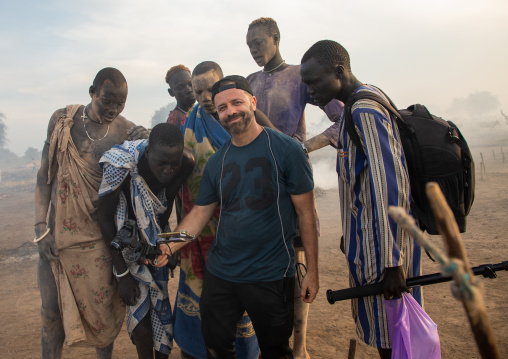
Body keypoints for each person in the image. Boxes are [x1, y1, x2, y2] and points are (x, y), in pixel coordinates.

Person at [164, 75, 319, 359]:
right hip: (221, 272)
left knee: (275, 349)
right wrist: (167, 244)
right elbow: (199, 214)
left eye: (237, 103)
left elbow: (306, 213)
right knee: (216, 346)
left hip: (270, 274)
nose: (230, 111)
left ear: (252, 102)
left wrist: (313, 270)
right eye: (223, 108)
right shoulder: (217, 162)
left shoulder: (286, 150)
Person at [300, 40, 422, 359]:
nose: (310, 91)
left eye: (314, 81)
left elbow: (389, 185)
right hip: (372, 243)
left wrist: (392, 262)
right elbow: (363, 183)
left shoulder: (364, 109)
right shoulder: (358, 104)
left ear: (339, 71)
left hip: (384, 252)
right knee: (391, 336)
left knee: (395, 338)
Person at [246, 17, 343, 358]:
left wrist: (305, 146)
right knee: (263, 268)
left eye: (258, 42)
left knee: (298, 264)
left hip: (292, 182)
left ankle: (299, 348)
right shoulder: (249, 83)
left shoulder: (300, 75)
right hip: (258, 187)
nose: (254, 50)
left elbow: (342, 118)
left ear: (276, 38)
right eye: (249, 45)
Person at [34, 67, 149, 359]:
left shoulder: (125, 131)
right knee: (50, 315)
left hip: (100, 243)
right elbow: (45, 176)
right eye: (106, 100)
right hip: (57, 240)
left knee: (103, 318)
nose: (112, 108)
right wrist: (39, 228)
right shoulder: (62, 121)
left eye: (119, 103)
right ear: (92, 92)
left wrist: (145, 137)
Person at [173, 62, 261, 359]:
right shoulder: (189, 122)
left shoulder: (243, 116)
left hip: (240, 230)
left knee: (242, 301)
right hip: (200, 230)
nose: (205, 96)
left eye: (211, 88)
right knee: (200, 291)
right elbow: (182, 181)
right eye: (198, 91)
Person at [97, 123, 195, 359]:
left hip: (158, 240)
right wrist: (122, 275)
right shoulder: (122, 165)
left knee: (162, 310)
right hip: (126, 241)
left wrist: (167, 246)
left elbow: (168, 208)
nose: (168, 170)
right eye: (161, 163)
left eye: (174, 164)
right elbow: (104, 218)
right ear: (148, 153)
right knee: (141, 321)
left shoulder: (186, 163)